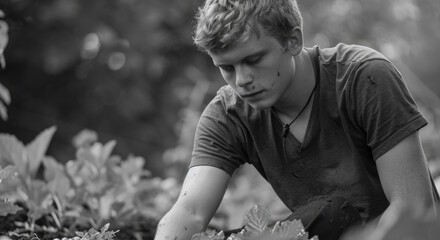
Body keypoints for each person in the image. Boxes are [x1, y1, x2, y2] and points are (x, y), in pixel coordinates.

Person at [155, 0, 440, 239]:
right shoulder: (228, 115)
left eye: (254, 60)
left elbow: (414, 208)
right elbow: (189, 211)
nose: (242, 81)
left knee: (329, 213)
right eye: (227, 68)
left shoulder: (364, 77)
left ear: (293, 41)